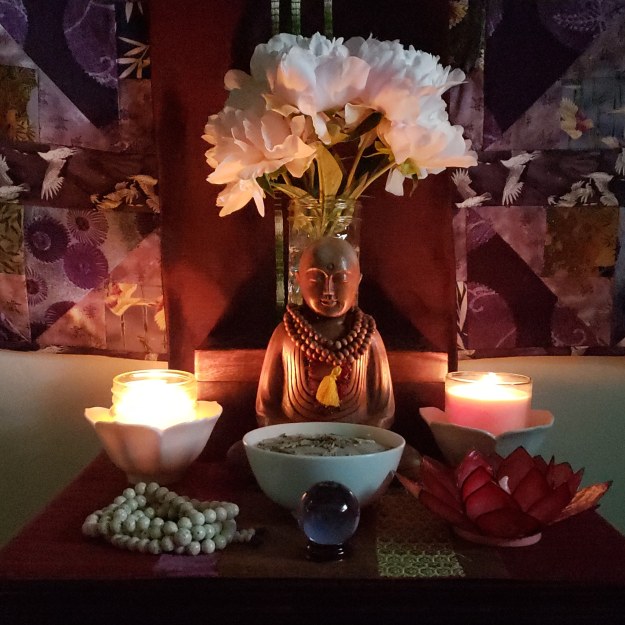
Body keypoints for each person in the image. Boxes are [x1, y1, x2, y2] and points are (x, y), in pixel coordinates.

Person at [256, 236, 395, 428]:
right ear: (299, 279)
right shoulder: (285, 334)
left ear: (358, 281)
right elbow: (266, 409)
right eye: (316, 278)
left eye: (340, 279)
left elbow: (384, 411)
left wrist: (365, 438)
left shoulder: (368, 337)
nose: (328, 290)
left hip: (356, 441)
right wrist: (285, 437)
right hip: (294, 441)